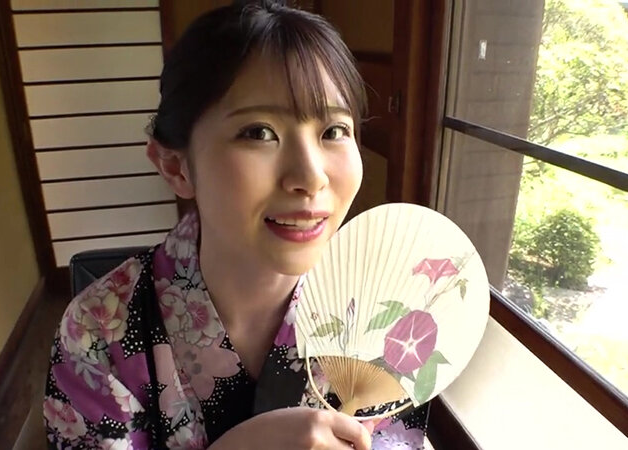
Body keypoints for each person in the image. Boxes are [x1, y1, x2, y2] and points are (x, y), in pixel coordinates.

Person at [43, 1, 430, 448]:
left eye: (333, 131)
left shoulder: (385, 319)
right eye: (259, 132)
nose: (311, 177)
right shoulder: (95, 332)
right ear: (175, 166)